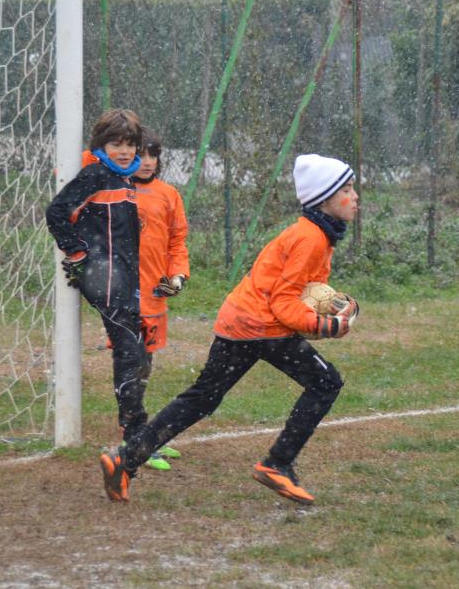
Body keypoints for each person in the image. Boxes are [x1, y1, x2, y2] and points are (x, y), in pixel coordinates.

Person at [100, 153, 361, 505]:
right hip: (262, 325)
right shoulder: (310, 237)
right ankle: (277, 464)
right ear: (324, 198)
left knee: (203, 396)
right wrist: (325, 326)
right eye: (347, 189)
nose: (355, 197)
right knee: (326, 382)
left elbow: (305, 292)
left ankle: (125, 459)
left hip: (240, 320)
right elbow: (284, 304)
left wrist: (334, 308)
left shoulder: (317, 234)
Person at [45, 108, 153, 461]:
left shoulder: (125, 179)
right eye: (116, 144)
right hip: (104, 274)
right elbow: (57, 212)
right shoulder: (95, 174)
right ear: (102, 145)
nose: (124, 151)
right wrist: (78, 253)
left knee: (135, 349)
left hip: (124, 275)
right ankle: (135, 436)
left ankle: (135, 429)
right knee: (130, 349)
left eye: (130, 144)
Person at [82, 127, 190, 471]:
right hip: (121, 294)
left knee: (144, 365)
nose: (146, 161)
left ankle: (140, 432)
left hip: (154, 296)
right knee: (131, 362)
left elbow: (177, 243)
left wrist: (178, 276)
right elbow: (84, 161)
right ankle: (135, 439)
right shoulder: (110, 184)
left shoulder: (168, 195)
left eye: (152, 154)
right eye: (139, 153)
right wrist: (109, 135)